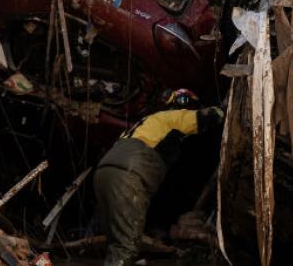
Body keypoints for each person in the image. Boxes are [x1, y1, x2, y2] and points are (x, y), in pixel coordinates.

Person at [94, 89, 224, 266]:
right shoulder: (173, 118)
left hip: (104, 173)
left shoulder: (146, 122)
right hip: (128, 176)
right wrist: (223, 108)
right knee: (127, 246)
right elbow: (206, 117)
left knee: (115, 239)